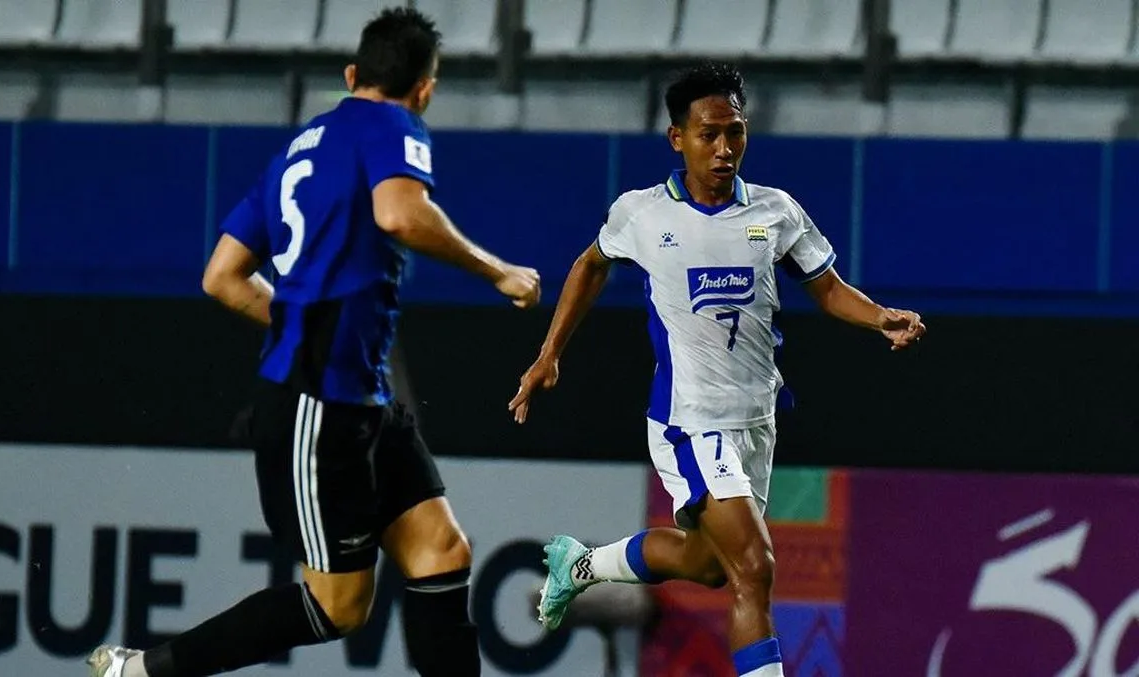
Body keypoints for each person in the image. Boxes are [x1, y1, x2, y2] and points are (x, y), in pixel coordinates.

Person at [88, 8, 540, 677]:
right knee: (340, 607)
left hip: (359, 395)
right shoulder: (393, 125)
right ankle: (142, 671)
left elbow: (221, 276)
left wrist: (296, 314)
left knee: (441, 550)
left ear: (352, 75)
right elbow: (400, 212)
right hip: (317, 401)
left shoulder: (298, 150)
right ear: (424, 89)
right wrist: (497, 270)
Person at [508, 61, 923, 677]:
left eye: (735, 132)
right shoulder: (643, 214)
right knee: (754, 567)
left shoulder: (775, 212)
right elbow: (591, 264)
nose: (725, 148)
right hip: (691, 419)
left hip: (756, 419)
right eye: (709, 135)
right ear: (678, 138)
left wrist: (879, 317)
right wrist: (549, 353)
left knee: (707, 564)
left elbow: (829, 288)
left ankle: (582, 565)